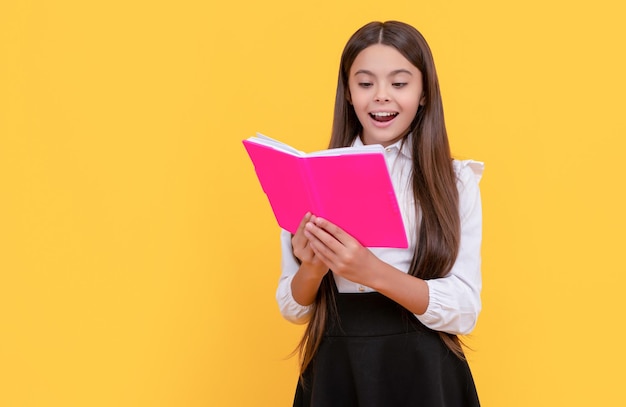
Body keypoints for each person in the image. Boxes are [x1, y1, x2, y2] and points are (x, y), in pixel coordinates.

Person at [276, 20, 484, 407]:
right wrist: (313, 268)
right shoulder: (313, 177)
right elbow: (293, 307)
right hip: (338, 366)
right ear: (349, 94)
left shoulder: (453, 181)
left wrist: (370, 270)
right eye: (365, 83)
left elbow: (464, 310)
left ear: (423, 93)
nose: (381, 97)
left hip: (424, 370)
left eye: (400, 83)